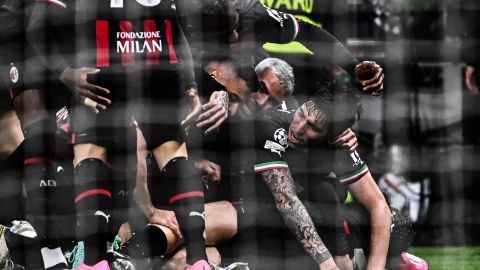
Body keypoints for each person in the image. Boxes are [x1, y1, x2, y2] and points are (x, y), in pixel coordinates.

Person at [27, 1, 212, 269]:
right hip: (159, 62)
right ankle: (199, 261)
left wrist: (64, 72)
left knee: (92, 154)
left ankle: (93, 261)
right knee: (173, 154)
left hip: (107, 63)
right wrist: (190, 83)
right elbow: (177, 29)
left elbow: (36, 26)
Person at [251, 80, 391, 269]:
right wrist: (330, 265)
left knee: (395, 221)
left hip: (316, 214)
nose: (298, 129)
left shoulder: (340, 142)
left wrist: (376, 267)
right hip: (258, 211)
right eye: (301, 114)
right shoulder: (270, 124)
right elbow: (287, 202)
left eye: (314, 128)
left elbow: (378, 204)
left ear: (332, 135)